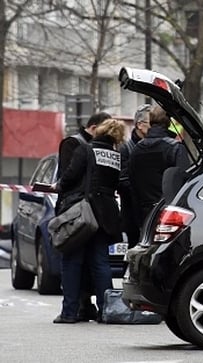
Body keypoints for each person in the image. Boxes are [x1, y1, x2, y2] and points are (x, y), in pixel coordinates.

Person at [54, 119, 126, 324]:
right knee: (100, 262)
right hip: (106, 214)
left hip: (83, 214)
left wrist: (58, 186)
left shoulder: (86, 149)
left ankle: (69, 312)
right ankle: (106, 310)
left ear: (99, 131)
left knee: (72, 260)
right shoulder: (116, 156)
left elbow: (69, 177)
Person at [128, 105, 190, 228]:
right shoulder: (175, 148)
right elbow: (185, 183)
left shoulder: (136, 150)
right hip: (169, 215)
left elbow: (132, 184)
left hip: (143, 215)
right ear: (168, 122)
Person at [118, 104, 151, 248]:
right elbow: (122, 180)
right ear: (139, 124)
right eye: (151, 123)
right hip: (132, 212)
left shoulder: (155, 145)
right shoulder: (126, 148)